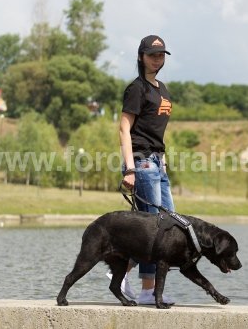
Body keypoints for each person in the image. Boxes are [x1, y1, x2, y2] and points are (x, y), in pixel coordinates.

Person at [107, 34, 175, 305]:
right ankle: (148, 289)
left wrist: (163, 158)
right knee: (154, 229)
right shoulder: (136, 89)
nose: (157, 59)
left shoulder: (162, 89)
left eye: (161, 55)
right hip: (142, 162)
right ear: (141, 57)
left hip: (157, 162)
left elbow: (156, 129)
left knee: (169, 225)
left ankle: (121, 270)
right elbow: (125, 128)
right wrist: (130, 169)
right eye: (152, 55)